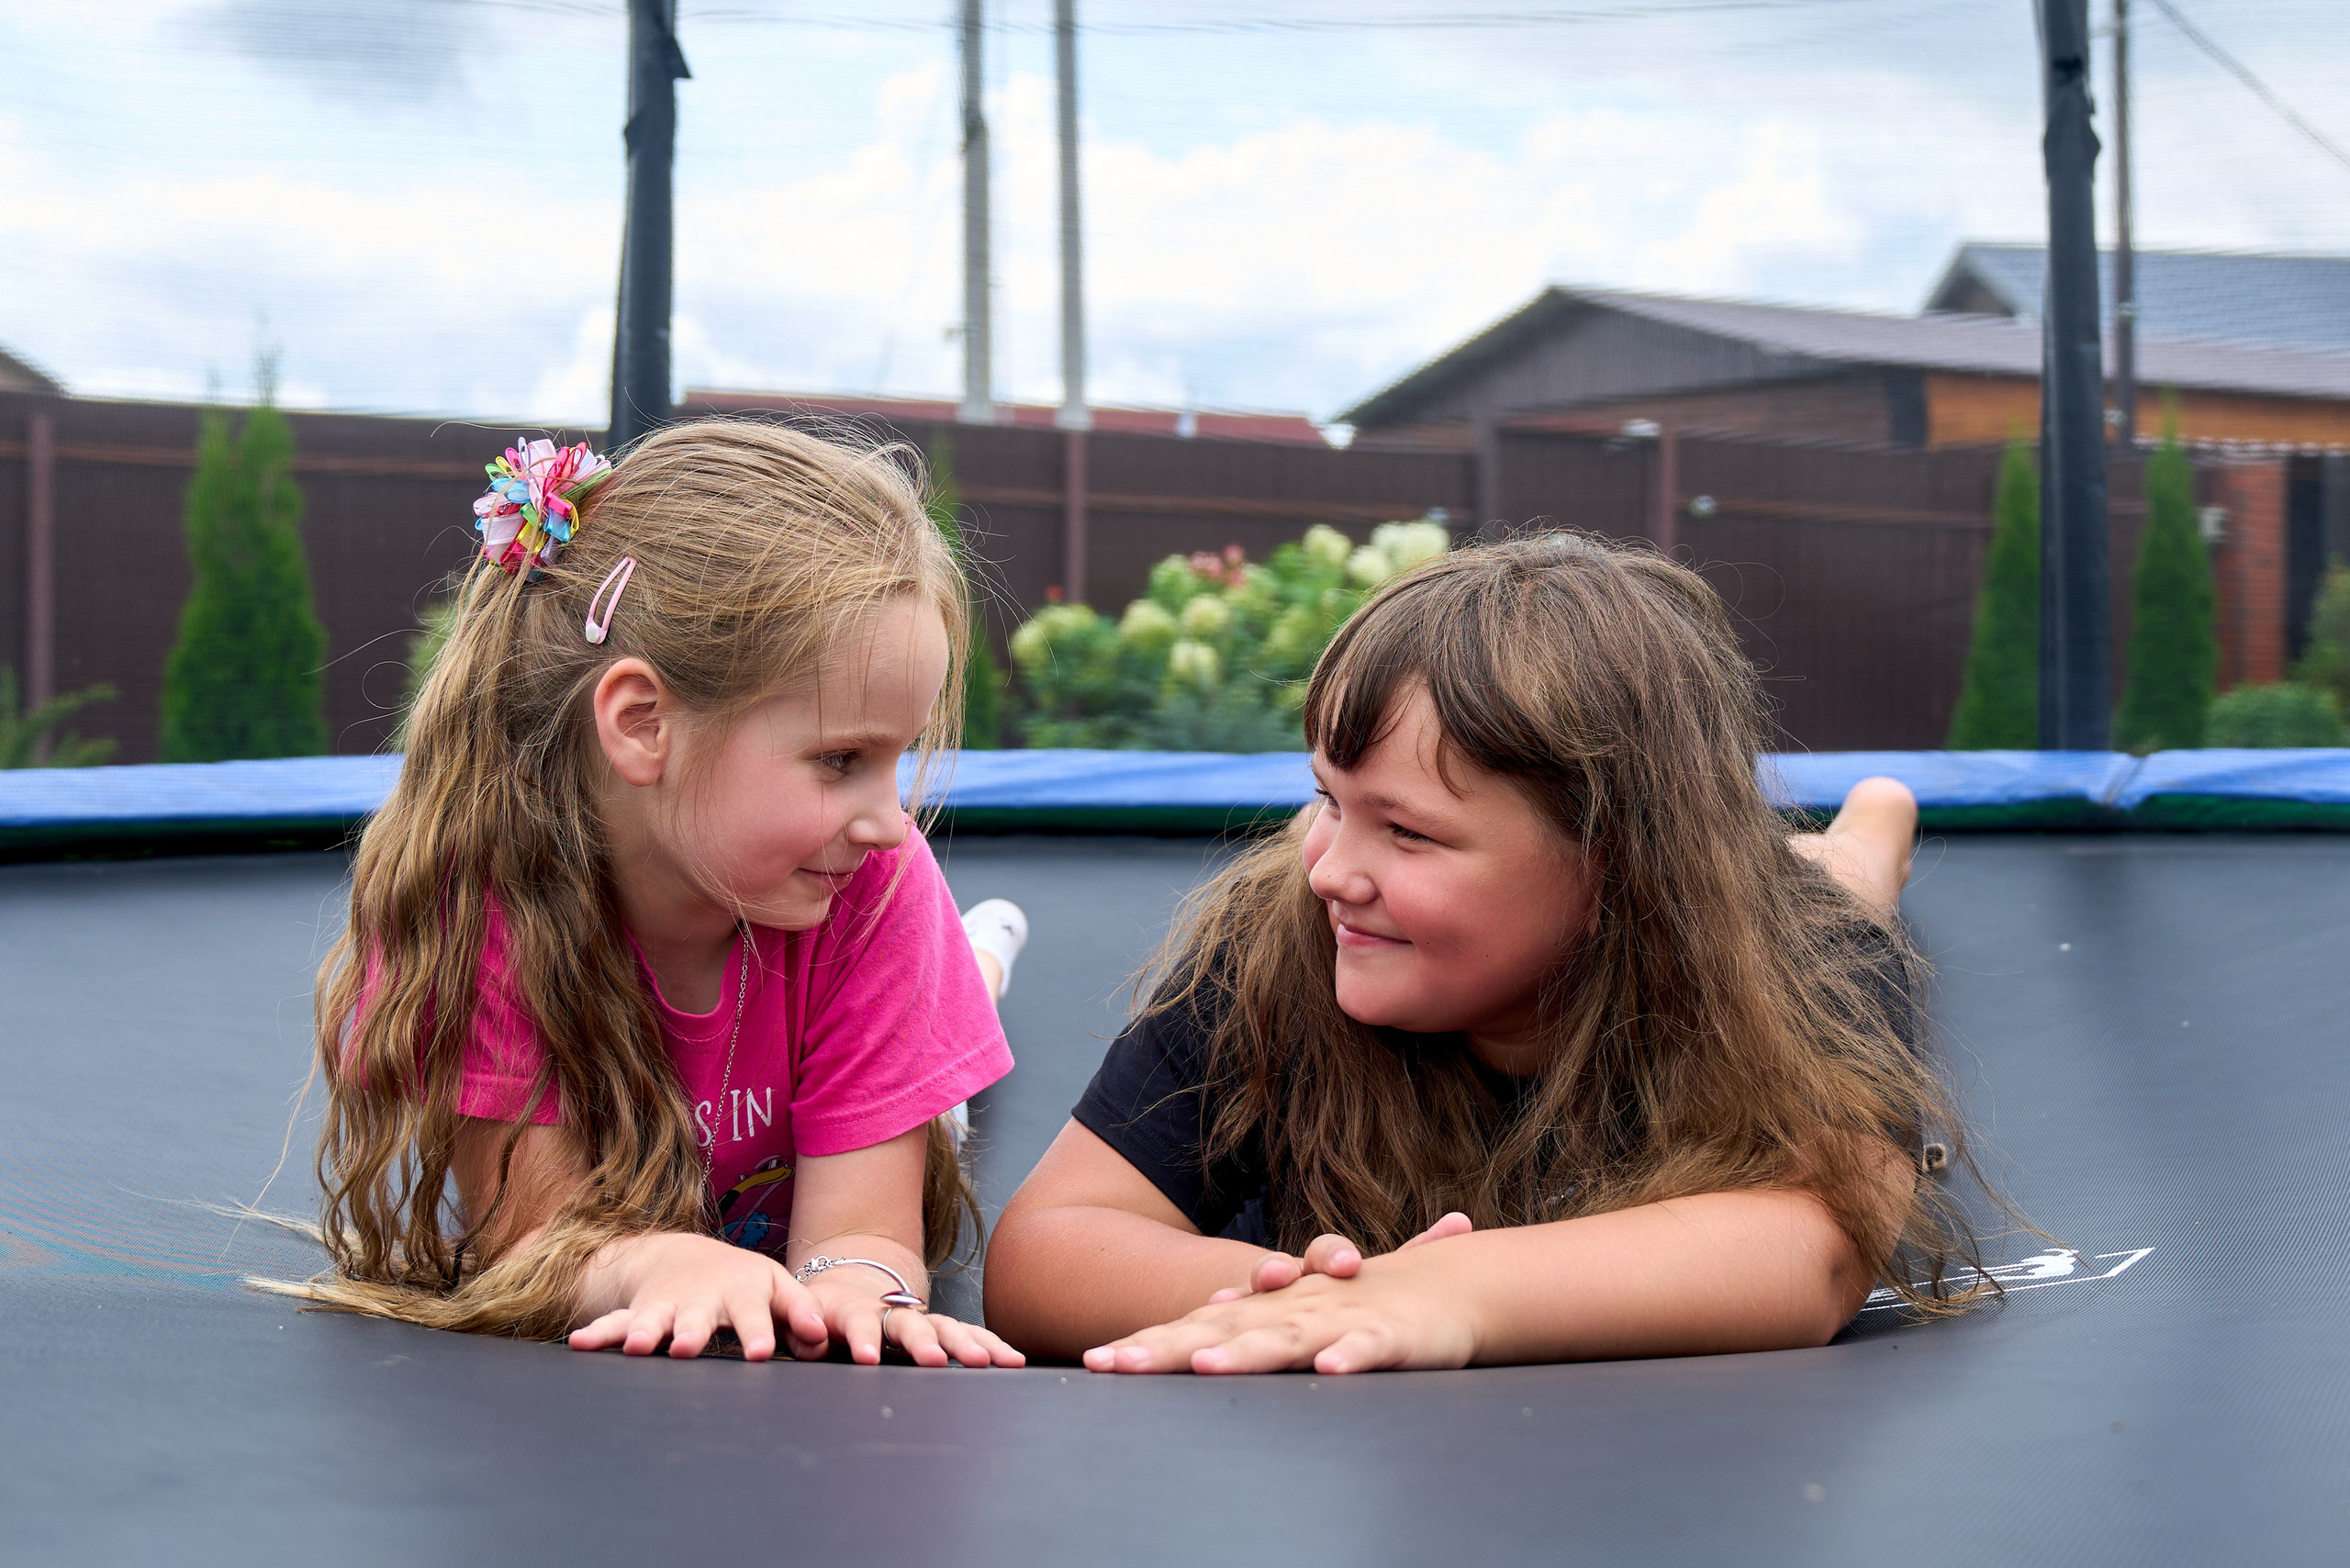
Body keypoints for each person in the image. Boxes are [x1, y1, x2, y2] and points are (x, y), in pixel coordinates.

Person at [984, 532, 1990, 1374]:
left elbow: (1812, 1252)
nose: (1333, 871)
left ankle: (1871, 825)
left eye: (1408, 833)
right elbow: (1042, 1252)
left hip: (1783, 900)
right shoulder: (1279, 940)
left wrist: (1451, 1290)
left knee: (1844, 880)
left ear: (1615, 865)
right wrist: (1329, 1297)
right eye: (1329, 801)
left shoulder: (1803, 959)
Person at [285, 421, 1024, 1369]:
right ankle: (974, 963)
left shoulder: (875, 886)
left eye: (896, 758)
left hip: (876, 1038)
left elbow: (864, 1238)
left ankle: (976, 961)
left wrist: (853, 1288)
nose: (889, 819)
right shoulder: (487, 905)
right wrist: (648, 1261)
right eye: (841, 759)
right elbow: (535, 1239)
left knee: (952, 1079)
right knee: (949, 976)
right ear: (642, 726)